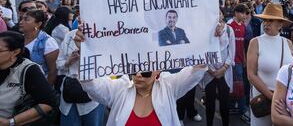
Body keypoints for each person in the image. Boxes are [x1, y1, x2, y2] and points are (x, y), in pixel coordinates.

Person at [73, 27, 208, 126]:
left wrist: (209, 38)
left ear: (157, 71)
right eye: (134, 69)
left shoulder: (168, 87)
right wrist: (85, 52)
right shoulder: (120, 89)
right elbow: (91, 85)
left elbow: (195, 72)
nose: (138, 75)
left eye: (145, 72)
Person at [247, 3, 293, 126]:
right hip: (262, 99)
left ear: (280, 24)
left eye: (270, 20)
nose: (266, 23)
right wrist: (271, 96)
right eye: (264, 20)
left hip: (285, 100)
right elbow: (251, 74)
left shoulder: (288, 43)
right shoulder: (255, 42)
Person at [0, 31, 56, 125]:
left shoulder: (29, 70)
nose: (22, 22)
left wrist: (10, 122)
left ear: (15, 52)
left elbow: (47, 104)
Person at [56, 29, 105, 126]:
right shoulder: (69, 36)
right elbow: (59, 64)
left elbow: (106, 64)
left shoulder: (103, 35)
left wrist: (86, 54)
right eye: (79, 13)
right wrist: (68, 62)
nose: (80, 17)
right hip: (69, 92)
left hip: (93, 95)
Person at [201, 9, 235, 126]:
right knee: (209, 102)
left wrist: (224, 68)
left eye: (219, 13)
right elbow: (202, 51)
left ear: (223, 15)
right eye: (214, 13)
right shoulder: (205, 30)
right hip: (209, 72)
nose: (217, 16)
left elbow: (232, 51)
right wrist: (209, 69)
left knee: (224, 103)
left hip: (224, 72)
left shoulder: (229, 30)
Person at [20, 10, 59, 85]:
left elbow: (53, 70)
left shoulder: (47, 42)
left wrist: (47, 90)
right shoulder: (18, 39)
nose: (21, 22)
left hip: (39, 84)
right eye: (21, 19)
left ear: (38, 24)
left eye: (26, 19)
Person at [227, 3, 248, 119]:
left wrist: (244, 58)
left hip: (240, 60)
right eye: (243, 13)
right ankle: (243, 110)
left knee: (236, 85)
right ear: (236, 13)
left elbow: (242, 44)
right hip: (233, 61)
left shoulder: (243, 26)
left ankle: (230, 106)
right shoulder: (229, 25)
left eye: (246, 13)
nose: (245, 15)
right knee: (239, 85)